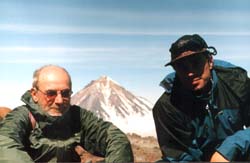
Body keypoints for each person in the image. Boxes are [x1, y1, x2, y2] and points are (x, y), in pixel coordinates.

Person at [0, 65, 134, 163]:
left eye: (65, 93)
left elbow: (114, 138)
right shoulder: (23, 116)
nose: (59, 100)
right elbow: (5, 143)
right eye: (51, 93)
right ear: (34, 94)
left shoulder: (77, 116)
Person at [153, 34, 250, 162]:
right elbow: (176, 154)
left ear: (210, 62)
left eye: (196, 63)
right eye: (182, 67)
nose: (190, 72)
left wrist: (231, 148)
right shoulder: (167, 106)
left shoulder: (236, 82)